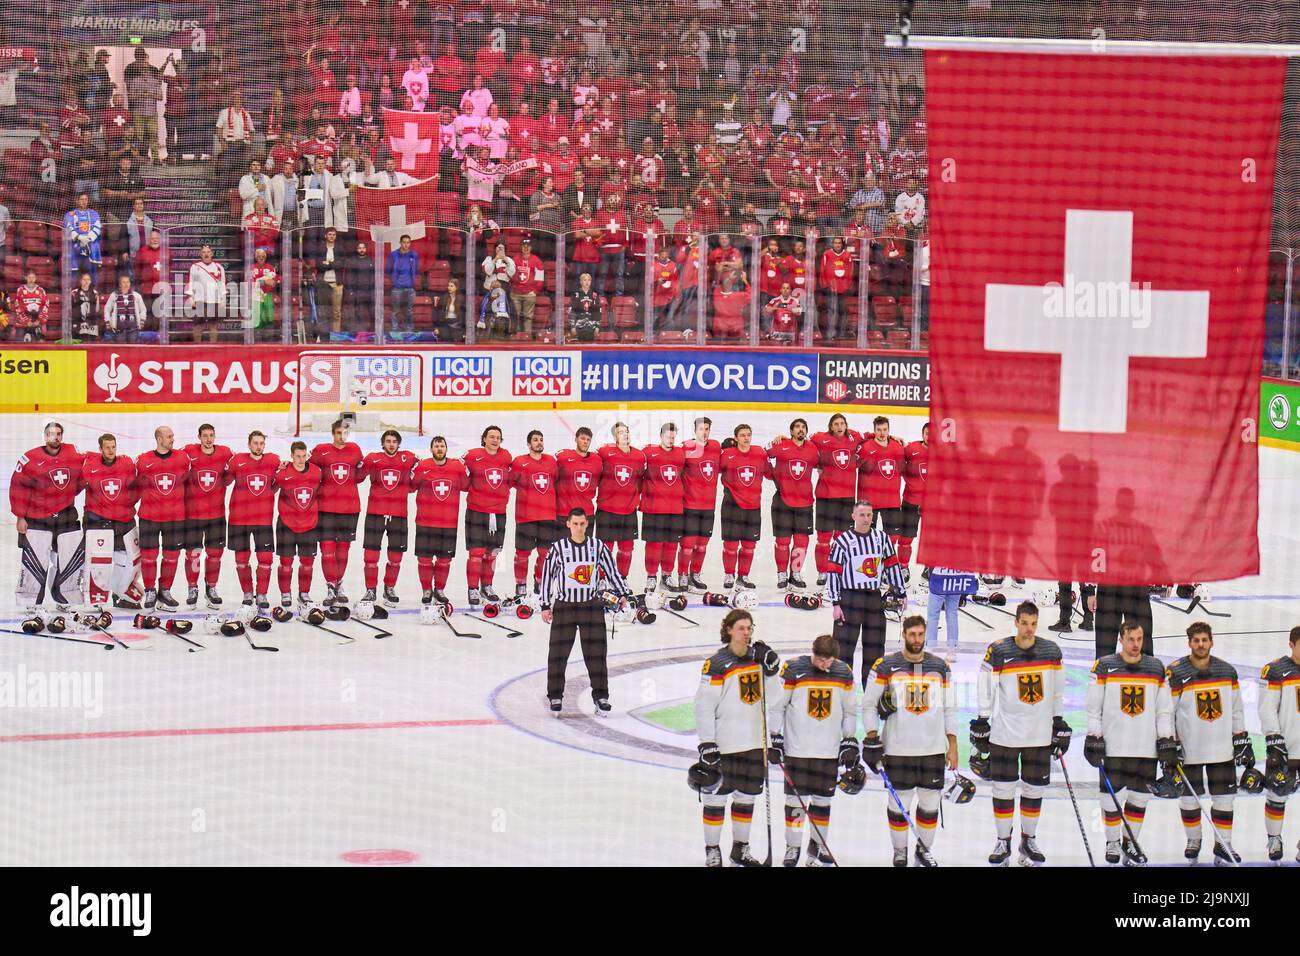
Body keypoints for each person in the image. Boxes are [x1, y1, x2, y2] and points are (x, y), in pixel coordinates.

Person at [970, 601, 1070, 867]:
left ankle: (1029, 839)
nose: (1029, 629)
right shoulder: (1000, 650)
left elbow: (1058, 691)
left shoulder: (1051, 651)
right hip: (1005, 734)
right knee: (1003, 788)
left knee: (1034, 789)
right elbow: (985, 685)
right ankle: (1003, 841)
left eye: (1033, 624)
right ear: (1016, 622)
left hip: (1039, 735)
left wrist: (1058, 721)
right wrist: (982, 718)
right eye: (1024, 623)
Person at [862, 616, 958, 867]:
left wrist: (953, 745)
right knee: (898, 804)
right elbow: (868, 705)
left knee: (929, 804)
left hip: (933, 750)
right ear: (903, 634)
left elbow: (950, 708)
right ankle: (900, 850)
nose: (917, 640)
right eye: (912, 634)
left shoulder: (940, 667)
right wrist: (872, 737)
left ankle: (924, 850)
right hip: (897, 749)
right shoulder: (885, 666)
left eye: (920, 634)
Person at [692, 609, 781, 867]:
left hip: (754, 744)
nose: (746, 633)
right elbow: (703, 706)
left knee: (746, 798)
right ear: (728, 630)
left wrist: (773, 670)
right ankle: (712, 850)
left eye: (749, 628)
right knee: (715, 799)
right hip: (725, 745)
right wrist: (707, 742)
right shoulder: (717, 663)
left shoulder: (758, 661)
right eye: (741, 628)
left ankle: (740, 849)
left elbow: (774, 700)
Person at [1085, 620, 1175, 867]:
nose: (1135, 645)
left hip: (1146, 748)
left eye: (1139, 639)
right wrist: (1094, 736)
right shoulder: (1105, 666)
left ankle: (1130, 843)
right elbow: (1094, 708)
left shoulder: (1156, 668)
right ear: (1121, 639)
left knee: (1139, 799)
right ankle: (1112, 842)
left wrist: (1166, 739)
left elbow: (1163, 710)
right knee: (1110, 800)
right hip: (1114, 747)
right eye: (1131, 639)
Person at [769, 632, 859, 866]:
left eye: (829, 661)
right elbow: (778, 707)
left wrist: (849, 739)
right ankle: (793, 846)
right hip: (797, 751)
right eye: (821, 659)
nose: (825, 664)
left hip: (828, 753)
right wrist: (775, 737)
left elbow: (849, 711)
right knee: (795, 803)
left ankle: (817, 846)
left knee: (822, 803)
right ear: (813, 653)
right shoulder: (792, 669)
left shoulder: (843, 672)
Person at [539, 507, 633, 713]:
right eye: (575, 524)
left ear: (587, 524)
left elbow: (612, 571)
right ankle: (555, 696)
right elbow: (547, 577)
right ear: (568, 524)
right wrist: (545, 605)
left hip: (591, 606)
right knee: (557, 654)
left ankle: (601, 697)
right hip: (565, 607)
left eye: (582, 524)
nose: (579, 528)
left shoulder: (597, 546)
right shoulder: (558, 548)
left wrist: (623, 593)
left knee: (596, 654)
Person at [1168, 621, 1247, 866]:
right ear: (1189, 642)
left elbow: (1236, 709)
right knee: (1189, 799)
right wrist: (1170, 744)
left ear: (1211, 641)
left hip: (1221, 748)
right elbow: (1166, 712)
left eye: (1204, 640)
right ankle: (1194, 840)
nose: (1201, 645)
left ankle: (1224, 844)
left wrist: (1240, 737)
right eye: (1196, 640)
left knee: (1224, 799)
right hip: (1190, 749)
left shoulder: (1227, 671)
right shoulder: (1176, 673)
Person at [828, 501, 907, 687]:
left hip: (873, 599)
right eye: (862, 515)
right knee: (843, 650)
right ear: (853, 516)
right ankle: (841, 690)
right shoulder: (842, 541)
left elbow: (892, 565)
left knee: (875, 649)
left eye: (869, 515)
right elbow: (833, 572)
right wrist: (835, 603)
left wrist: (901, 592)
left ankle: (873, 693)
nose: (866, 519)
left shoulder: (882, 538)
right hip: (849, 599)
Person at [11, 423, 85, 610]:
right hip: (37, 517)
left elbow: (90, 464)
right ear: (45, 436)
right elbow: (18, 487)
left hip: (66, 515)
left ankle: (65, 599)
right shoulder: (30, 458)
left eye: (59, 434)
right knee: (35, 560)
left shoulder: (73, 452)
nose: (55, 437)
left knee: (71, 559)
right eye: (51, 434)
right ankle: (31, 602)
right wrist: (21, 516)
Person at [81, 433, 145, 609]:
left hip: (124, 521)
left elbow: (137, 486)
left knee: (129, 560)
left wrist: (128, 505)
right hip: (98, 521)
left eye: (113, 446)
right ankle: (97, 599)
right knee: (99, 563)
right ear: (100, 449)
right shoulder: (89, 466)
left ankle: (122, 592)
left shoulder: (127, 464)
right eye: (107, 447)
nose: (111, 450)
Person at [134, 425, 191, 610]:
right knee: (149, 557)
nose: (172, 439)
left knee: (171, 557)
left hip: (175, 517)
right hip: (149, 517)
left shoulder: (182, 458)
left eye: (172, 435)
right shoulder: (143, 461)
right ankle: (150, 591)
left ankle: (165, 591)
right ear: (159, 439)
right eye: (169, 436)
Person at [309, 420, 365, 607]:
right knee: (327, 550)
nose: (342, 437)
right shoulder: (320, 450)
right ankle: (330, 586)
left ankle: (339, 583)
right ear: (332, 433)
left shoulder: (355, 450)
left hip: (349, 508)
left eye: (345, 433)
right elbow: (307, 471)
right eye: (339, 433)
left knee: (343, 550)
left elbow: (360, 475)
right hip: (325, 508)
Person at [360, 429, 418, 606]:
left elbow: (422, 470)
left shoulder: (408, 458)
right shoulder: (372, 458)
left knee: (396, 557)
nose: (391, 444)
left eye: (394, 441)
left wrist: (411, 485)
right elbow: (357, 475)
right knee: (371, 556)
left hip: (399, 514)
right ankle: (370, 590)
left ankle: (389, 587)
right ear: (383, 443)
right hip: (375, 513)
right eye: (388, 441)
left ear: (399, 443)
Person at [226, 430, 281, 612]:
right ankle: (247, 593)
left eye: (261, 443)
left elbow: (279, 481)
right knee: (241, 559)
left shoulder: (273, 461)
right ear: (248, 444)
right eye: (255, 443)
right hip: (239, 518)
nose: (258, 446)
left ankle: (262, 593)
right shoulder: (237, 461)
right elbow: (224, 480)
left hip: (263, 518)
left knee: (265, 558)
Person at [412, 436, 469, 608]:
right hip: (425, 522)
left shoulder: (457, 467)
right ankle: (426, 590)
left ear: (446, 448)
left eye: (442, 446)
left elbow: (466, 486)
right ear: (431, 449)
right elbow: (411, 485)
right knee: (424, 560)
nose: (439, 449)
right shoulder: (423, 466)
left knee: (444, 560)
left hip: (448, 523)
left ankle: (440, 589)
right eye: (436, 446)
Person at [1260, 626, 1300, 864]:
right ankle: (1274, 839)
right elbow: (1266, 708)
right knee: (1277, 794)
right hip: (1286, 747)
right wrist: (1274, 738)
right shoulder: (1277, 670)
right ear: (1291, 645)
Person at [765, 418, 820, 590]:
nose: (800, 430)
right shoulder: (781, 445)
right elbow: (762, 454)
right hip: (783, 500)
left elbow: (823, 463)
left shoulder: (812, 448)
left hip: (804, 501)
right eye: (797, 427)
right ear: (791, 431)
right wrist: (773, 475)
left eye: (803, 427)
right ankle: (782, 573)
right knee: (782, 540)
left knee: (801, 541)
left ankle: (795, 573)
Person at [808, 413, 862, 589]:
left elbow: (870, 437)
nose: (839, 426)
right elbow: (803, 442)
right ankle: (822, 571)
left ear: (846, 425)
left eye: (842, 423)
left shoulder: (855, 437)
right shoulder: (820, 438)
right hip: (826, 496)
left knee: (842, 538)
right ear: (831, 426)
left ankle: (839, 570)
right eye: (836, 424)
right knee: (823, 539)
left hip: (846, 497)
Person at [182, 424, 233, 610]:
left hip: (216, 515)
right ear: (199, 437)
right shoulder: (188, 451)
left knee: (215, 555)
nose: (209, 439)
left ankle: (211, 587)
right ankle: (192, 588)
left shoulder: (225, 453)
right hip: (193, 515)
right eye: (205, 436)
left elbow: (238, 466)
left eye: (211, 435)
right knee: (193, 554)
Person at [462, 425, 513, 605]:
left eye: (498, 437)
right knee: (476, 552)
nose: (495, 440)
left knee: (492, 553)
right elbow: (460, 471)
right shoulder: (472, 455)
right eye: (491, 437)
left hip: (499, 511)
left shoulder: (506, 456)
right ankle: (472, 588)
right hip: (477, 510)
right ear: (484, 438)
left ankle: (487, 586)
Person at [509, 430, 559, 597]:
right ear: (529, 444)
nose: (539, 442)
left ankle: (540, 581)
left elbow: (556, 481)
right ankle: (520, 584)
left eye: (541, 440)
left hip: (548, 515)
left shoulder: (551, 461)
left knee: (545, 554)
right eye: (535, 440)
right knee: (522, 554)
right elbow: (511, 482)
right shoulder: (519, 462)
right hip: (526, 516)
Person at [274, 442, 323, 610]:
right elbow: (271, 488)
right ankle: (285, 592)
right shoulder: (283, 473)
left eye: (304, 456)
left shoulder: (317, 472)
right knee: (286, 562)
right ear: (291, 456)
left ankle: (304, 593)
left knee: (307, 562)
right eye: (297, 456)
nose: (301, 460)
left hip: (309, 524)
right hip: (287, 524)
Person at [718, 424, 766, 591]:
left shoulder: (759, 453)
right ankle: (729, 574)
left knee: (749, 546)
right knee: (730, 545)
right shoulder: (727, 455)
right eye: (743, 435)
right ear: (736, 438)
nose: (746, 438)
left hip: (753, 507)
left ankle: (743, 576)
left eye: (748, 434)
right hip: (732, 505)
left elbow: (770, 471)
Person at [594, 422, 644, 582]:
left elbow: (640, 481)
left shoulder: (639, 456)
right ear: (615, 437)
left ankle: (622, 578)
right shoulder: (604, 452)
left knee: (627, 549)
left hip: (628, 511)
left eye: (627, 431)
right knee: (605, 549)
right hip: (607, 510)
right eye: (621, 432)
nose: (625, 434)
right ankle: (601, 579)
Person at [857, 415, 908, 573]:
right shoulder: (865, 447)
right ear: (874, 430)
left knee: (892, 536)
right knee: (866, 537)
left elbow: (901, 469)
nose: (882, 432)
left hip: (891, 500)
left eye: (885, 429)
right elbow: (852, 464)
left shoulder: (898, 448)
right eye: (878, 430)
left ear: (889, 430)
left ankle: (886, 566)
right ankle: (868, 568)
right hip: (869, 501)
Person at [676, 417, 721, 593]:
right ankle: (682, 575)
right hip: (689, 505)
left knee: (702, 545)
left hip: (709, 506)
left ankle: (695, 574)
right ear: (695, 430)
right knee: (687, 544)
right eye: (701, 428)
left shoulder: (716, 446)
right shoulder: (686, 447)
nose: (704, 432)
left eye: (707, 428)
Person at [641, 422, 686, 595]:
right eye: (668, 436)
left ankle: (666, 576)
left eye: (673, 437)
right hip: (653, 508)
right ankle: (651, 576)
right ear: (661, 436)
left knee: (671, 544)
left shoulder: (681, 453)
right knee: (654, 544)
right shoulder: (648, 452)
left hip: (674, 507)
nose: (671, 440)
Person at [899, 422, 929, 575]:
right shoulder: (911, 449)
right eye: (927, 434)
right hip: (911, 501)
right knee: (906, 537)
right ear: (922, 434)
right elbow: (898, 461)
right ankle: (903, 567)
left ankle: (930, 567)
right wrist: (910, 482)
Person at [185, 245, 227, 343]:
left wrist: (223, 300)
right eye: (204, 252)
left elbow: (223, 285)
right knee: (198, 326)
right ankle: (197, 348)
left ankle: (213, 348)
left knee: (213, 325)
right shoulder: (195, 267)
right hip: (199, 300)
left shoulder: (219, 267)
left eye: (208, 252)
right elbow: (190, 284)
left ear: (212, 254)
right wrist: (191, 299)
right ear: (200, 254)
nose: (206, 254)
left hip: (215, 300)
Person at [64, 193, 103, 283]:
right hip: (76, 243)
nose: (84, 201)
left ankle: (93, 287)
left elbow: (97, 227)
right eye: (81, 199)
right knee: (72, 257)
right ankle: (72, 287)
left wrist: (88, 238)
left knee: (95, 248)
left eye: (86, 199)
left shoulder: (94, 214)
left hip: (90, 243)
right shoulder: (70, 214)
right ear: (77, 201)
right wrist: (79, 237)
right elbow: (68, 227)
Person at [386, 234, 419, 334]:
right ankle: (394, 329)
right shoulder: (393, 254)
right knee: (395, 310)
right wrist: (394, 281)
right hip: (397, 287)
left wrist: (412, 281)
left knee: (409, 310)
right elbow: (388, 269)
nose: (406, 244)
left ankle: (409, 329)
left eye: (408, 242)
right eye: (404, 242)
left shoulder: (414, 255)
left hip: (410, 287)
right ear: (400, 243)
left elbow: (416, 269)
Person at [69, 271, 102, 340]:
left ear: (90, 281)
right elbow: (70, 309)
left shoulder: (95, 293)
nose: (86, 281)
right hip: (78, 323)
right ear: (80, 281)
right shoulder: (74, 292)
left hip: (91, 324)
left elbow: (97, 309)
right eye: (84, 279)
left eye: (88, 280)